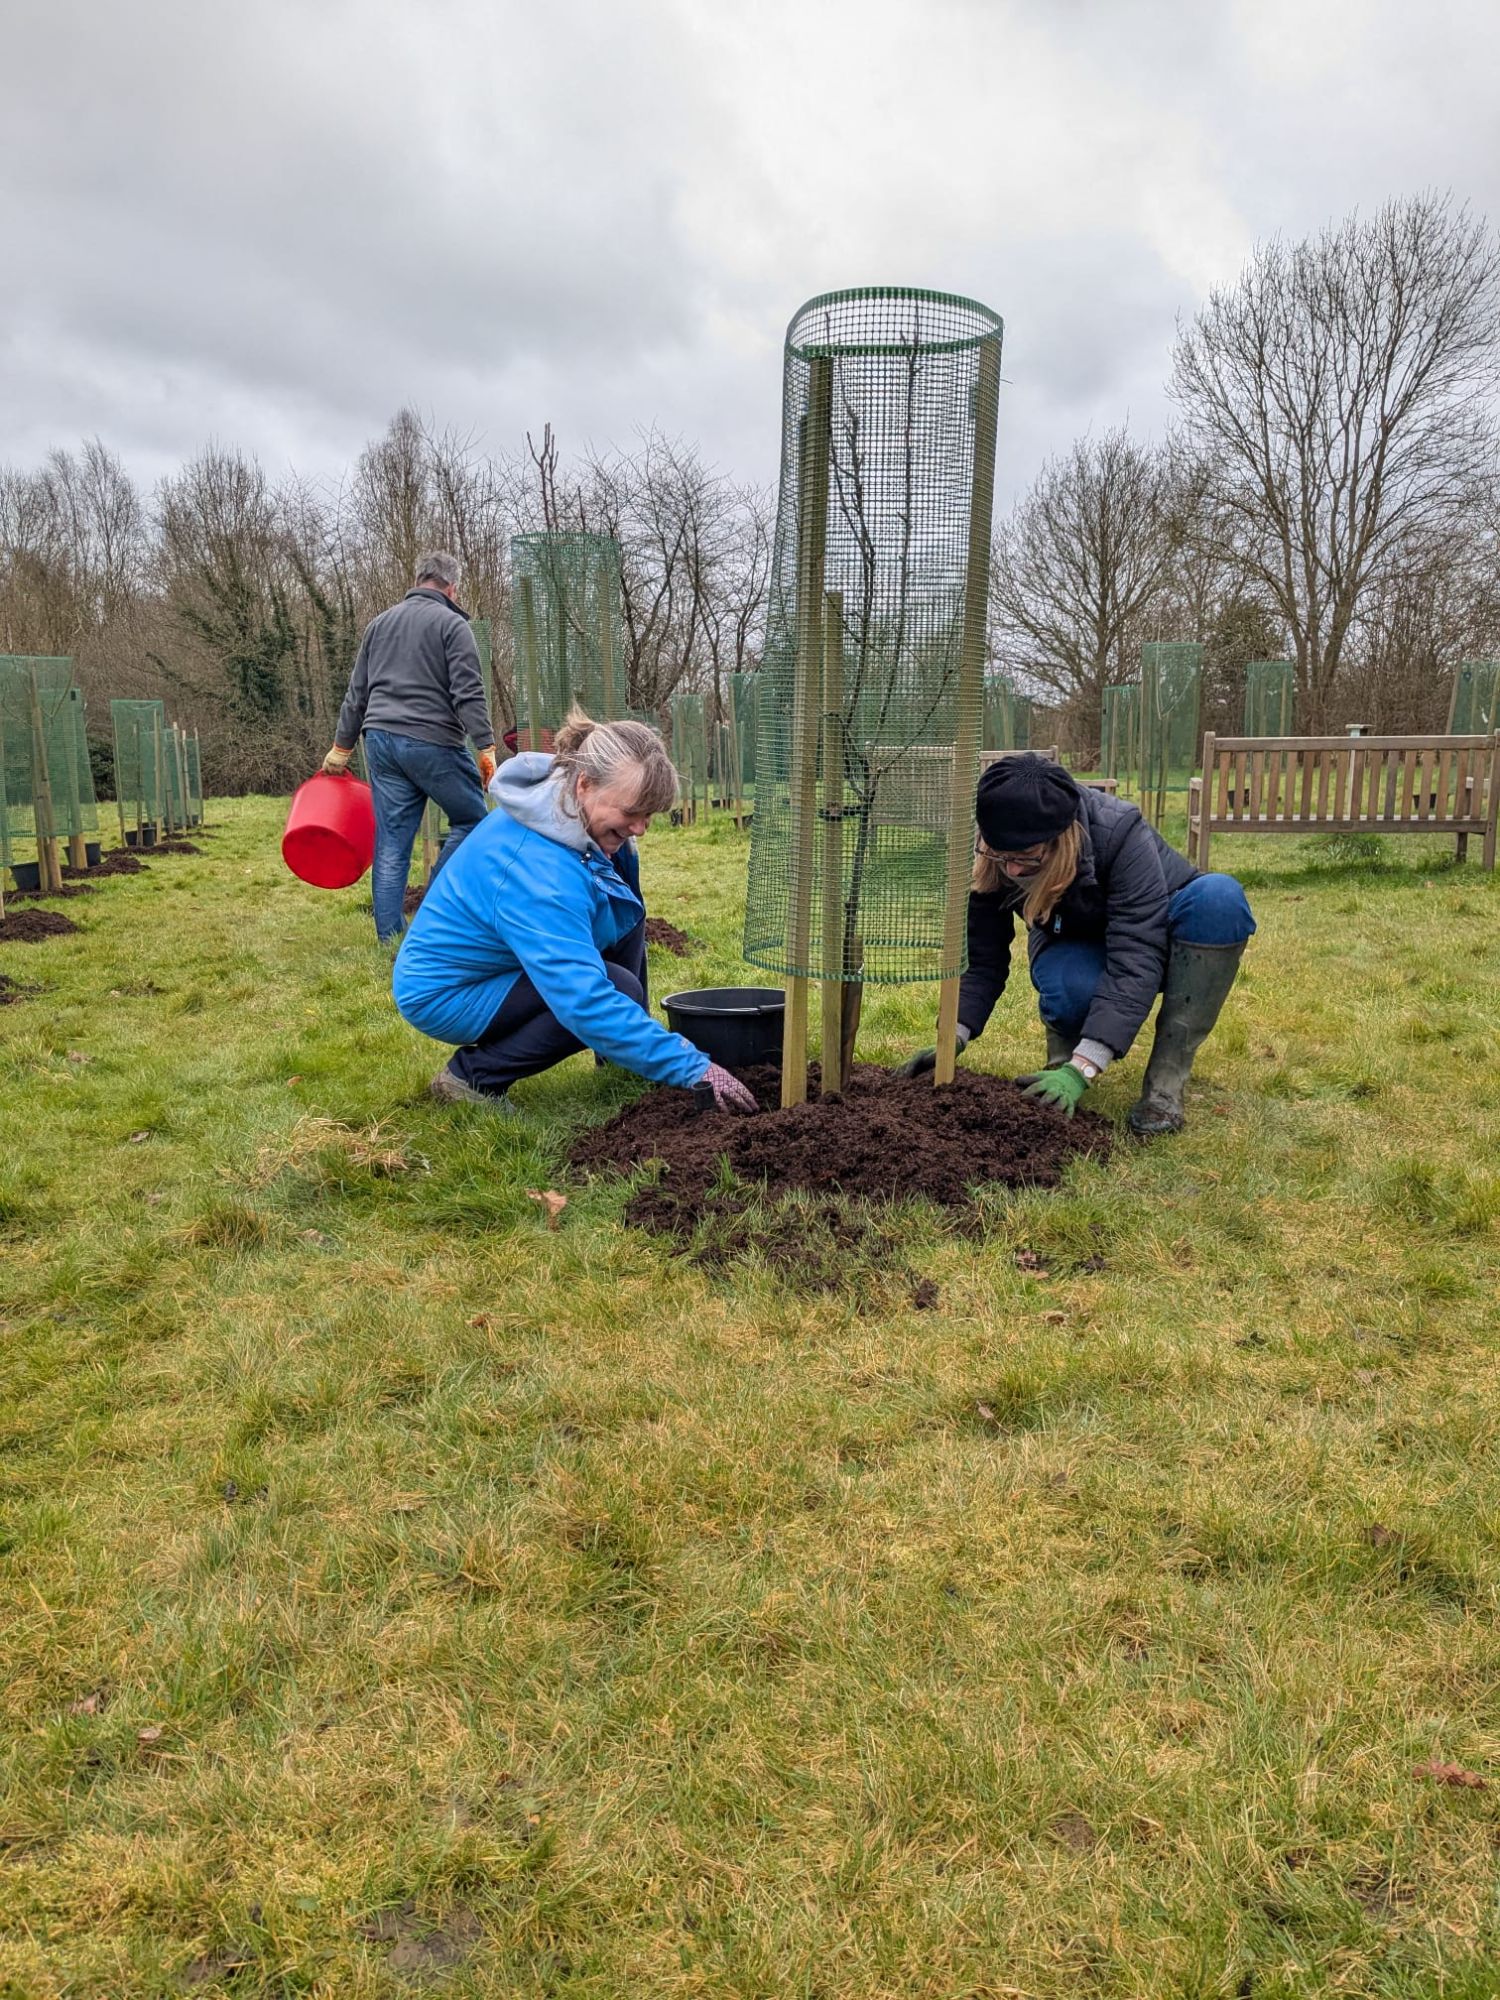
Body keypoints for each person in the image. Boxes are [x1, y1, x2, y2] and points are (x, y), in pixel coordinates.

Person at [393, 711, 758, 1115]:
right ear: (585, 783)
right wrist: (691, 1066)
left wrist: (634, 1046)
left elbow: (623, 913)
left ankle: (619, 1053)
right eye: (632, 812)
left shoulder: (572, 814)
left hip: (498, 962)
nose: (641, 828)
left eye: (649, 814)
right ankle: (472, 1078)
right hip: (448, 990)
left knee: (622, 913)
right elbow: (582, 998)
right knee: (611, 992)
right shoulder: (536, 869)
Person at [899, 753, 1255, 1135]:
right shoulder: (995, 844)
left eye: (1026, 858)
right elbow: (981, 955)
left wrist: (1086, 1067)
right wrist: (953, 1033)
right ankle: (1062, 1058)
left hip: (1165, 937)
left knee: (1220, 899)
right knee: (1071, 989)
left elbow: (1136, 952)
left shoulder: (1119, 832)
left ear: (1060, 838)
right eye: (999, 855)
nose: (1012, 870)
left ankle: (1165, 1084)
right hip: (1078, 939)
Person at [323, 552, 497, 943]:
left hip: (380, 741)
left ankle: (390, 941)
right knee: (472, 821)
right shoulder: (453, 625)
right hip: (431, 741)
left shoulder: (378, 625)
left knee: (392, 842)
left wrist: (341, 747)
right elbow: (468, 692)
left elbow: (357, 694)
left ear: (418, 579)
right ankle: (432, 913)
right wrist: (485, 746)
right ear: (451, 588)